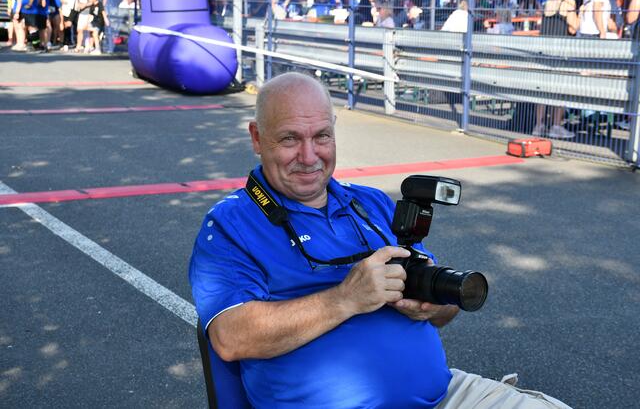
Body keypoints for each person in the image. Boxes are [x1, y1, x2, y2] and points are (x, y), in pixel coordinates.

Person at [188, 72, 573, 409]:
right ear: (257, 138)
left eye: (321, 136)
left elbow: (444, 311)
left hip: (445, 395)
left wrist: (431, 305)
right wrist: (345, 298)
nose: (309, 155)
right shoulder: (230, 224)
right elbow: (230, 337)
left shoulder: (371, 203)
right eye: (290, 139)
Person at [533, 0, 579, 139]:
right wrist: (579, 14)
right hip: (560, 50)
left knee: (543, 89)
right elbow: (573, 27)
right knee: (559, 89)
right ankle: (556, 126)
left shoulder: (549, 1)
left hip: (545, 50)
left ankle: (539, 125)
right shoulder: (568, 2)